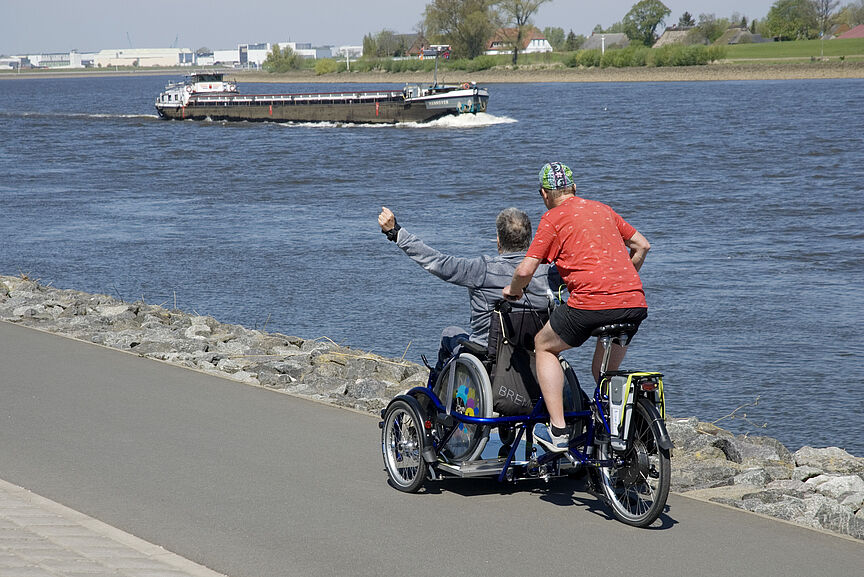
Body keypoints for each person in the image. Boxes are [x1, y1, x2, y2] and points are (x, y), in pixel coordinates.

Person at [503, 162, 651, 453]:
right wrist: (621, 278)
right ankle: (620, 432)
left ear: (544, 194)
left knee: (544, 345)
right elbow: (642, 245)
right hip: (633, 302)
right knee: (603, 373)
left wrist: (513, 290)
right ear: (574, 188)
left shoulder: (553, 218)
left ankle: (558, 431)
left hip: (591, 305)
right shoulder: (603, 210)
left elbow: (526, 269)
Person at [378, 206, 559, 373]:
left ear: (498, 241)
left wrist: (396, 233)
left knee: (450, 333)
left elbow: (437, 262)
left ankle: (441, 390)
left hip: (487, 357)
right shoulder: (547, 273)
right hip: (534, 354)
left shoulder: (482, 269)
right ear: (530, 240)